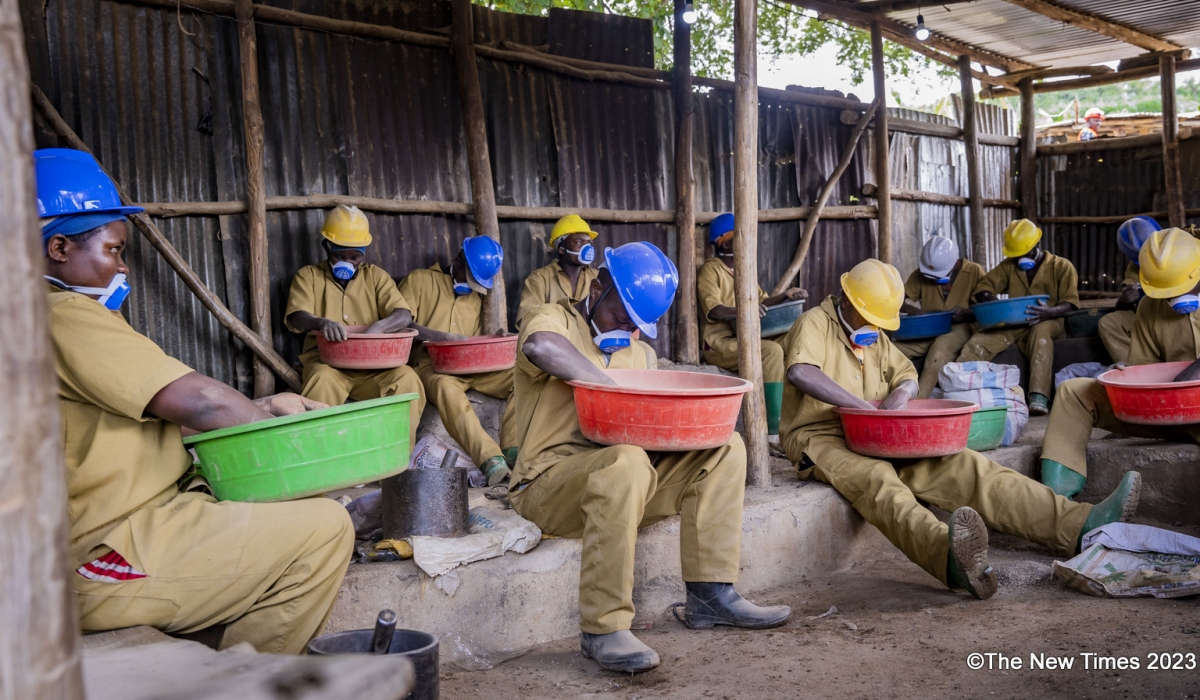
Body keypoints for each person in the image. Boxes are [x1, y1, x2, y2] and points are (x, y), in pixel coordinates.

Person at [38, 148, 353, 654]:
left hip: (130, 527)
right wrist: (300, 448)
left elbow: (122, 430)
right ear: (58, 247)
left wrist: (266, 409)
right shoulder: (62, 314)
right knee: (326, 528)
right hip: (102, 553)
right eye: (115, 251)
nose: (123, 269)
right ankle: (245, 688)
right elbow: (204, 403)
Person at [778, 258, 1141, 600]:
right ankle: (952, 558)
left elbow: (905, 374)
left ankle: (1081, 524)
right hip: (822, 436)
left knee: (967, 465)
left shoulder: (874, 333)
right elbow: (800, 371)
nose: (875, 328)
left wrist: (901, 396)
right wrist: (861, 409)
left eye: (880, 322)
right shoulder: (813, 323)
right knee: (878, 481)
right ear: (846, 299)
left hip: (878, 431)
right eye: (869, 318)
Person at [511, 242, 791, 673]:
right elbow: (540, 347)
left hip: (627, 483)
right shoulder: (555, 319)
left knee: (725, 448)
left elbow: (650, 428)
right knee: (624, 461)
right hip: (549, 485)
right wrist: (605, 385)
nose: (628, 329)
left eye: (637, 323)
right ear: (598, 284)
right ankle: (603, 628)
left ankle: (711, 595)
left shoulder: (639, 353)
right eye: (620, 316)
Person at [1041, 228, 1200, 498]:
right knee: (1073, 393)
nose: (1173, 299)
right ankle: (1056, 503)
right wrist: (1127, 376)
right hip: (1170, 413)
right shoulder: (1151, 306)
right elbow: (1146, 369)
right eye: (1166, 293)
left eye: (1181, 289)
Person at [284, 205, 426, 437]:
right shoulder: (308, 276)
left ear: (363, 253)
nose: (347, 263)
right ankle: (321, 463)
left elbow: (403, 314)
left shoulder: (376, 277)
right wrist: (322, 323)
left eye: (355, 257)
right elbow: (297, 316)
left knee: (407, 378)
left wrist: (379, 327)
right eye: (339, 256)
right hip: (327, 366)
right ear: (326, 247)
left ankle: (398, 459)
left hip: (374, 370)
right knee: (321, 380)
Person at [399, 236, 516, 485]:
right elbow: (401, 323)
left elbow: (476, 338)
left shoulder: (477, 297)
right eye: (468, 278)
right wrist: (437, 336)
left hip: (471, 365)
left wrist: (497, 338)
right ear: (457, 259)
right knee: (446, 388)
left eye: (476, 283)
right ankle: (490, 460)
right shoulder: (420, 280)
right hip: (432, 365)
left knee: (522, 378)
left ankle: (514, 450)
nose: (470, 285)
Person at [957, 219, 1080, 415]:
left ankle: (1038, 396)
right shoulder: (1008, 266)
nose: (1020, 258)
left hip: (1050, 320)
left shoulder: (1061, 266)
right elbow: (983, 288)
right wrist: (996, 304)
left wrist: (1050, 312)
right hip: (1014, 321)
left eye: (1025, 253)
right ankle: (957, 388)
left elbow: (1070, 302)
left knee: (1041, 336)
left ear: (1036, 245)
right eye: (1016, 255)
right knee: (980, 340)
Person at [697, 213, 806, 434]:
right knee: (772, 351)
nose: (748, 241)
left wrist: (785, 295)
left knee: (794, 340)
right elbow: (714, 309)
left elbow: (761, 300)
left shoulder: (743, 271)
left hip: (746, 335)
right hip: (720, 343)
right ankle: (774, 431)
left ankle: (795, 417)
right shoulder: (711, 269)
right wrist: (743, 311)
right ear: (726, 242)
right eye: (741, 236)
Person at [892, 235, 986, 398]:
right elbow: (897, 299)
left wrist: (967, 313)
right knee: (892, 351)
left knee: (938, 354)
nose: (934, 279)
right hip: (928, 328)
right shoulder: (921, 273)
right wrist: (909, 309)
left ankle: (918, 403)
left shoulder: (974, 271)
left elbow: (985, 308)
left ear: (956, 263)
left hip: (959, 327)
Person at [516, 214, 600, 328]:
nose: (587, 248)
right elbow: (526, 320)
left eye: (588, 242)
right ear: (561, 249)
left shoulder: (597, 277)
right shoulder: (539, 279)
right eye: (579, 242)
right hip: (555, 344)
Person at [1098, 217, 1159, 364]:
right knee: (1108, 322)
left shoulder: (1184, 251)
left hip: (1177, 315)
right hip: (1148, 316)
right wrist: (1123, 301)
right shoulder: (1134, 267)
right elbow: (1124, 305)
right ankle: (1135, 367)